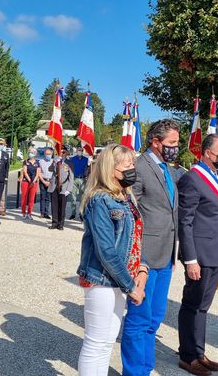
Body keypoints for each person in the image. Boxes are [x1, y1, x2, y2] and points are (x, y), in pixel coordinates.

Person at [76, 144, 147, 375]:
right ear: (110, 168)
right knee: (95, 341)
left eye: (133, 165)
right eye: (127, 166)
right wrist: (130, 286)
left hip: (122, 279)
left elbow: (135, 239)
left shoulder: (126, 198)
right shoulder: (100, 200)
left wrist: (141, 270)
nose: (132, 170)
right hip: (103, 278)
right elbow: (106, 249)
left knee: (108, 341)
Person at [121, 118, 180, 376]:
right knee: (138, 318)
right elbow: (131, 212)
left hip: (166, 254)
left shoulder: (167, 167)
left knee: (155, 316)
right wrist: (139, 260)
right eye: (172, 143)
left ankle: (145, 367)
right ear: (156, 142)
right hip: (145, 256)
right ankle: (135, 372)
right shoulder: (140, 167)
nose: (176, 147)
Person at [177, 134, 218, 376]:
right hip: (198, 255)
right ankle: (188, 357)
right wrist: (190, 259)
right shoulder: (192, 179)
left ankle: (199, 352)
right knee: (192, 305)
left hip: (216, 252)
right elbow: (185, 222)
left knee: (203, 307)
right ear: (207, 153)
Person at [48, 147, 73, 230]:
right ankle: (54, 223)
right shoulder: (55, 161)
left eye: (63, 152)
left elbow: (71, 177)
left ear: (66, 153)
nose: (62, 154)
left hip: (64, 187)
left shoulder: (69, 163)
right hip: (54, 186)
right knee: (54, 206)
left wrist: (69, 189)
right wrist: (55, 162)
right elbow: (50, 169)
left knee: (62, 207)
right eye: (60, 152)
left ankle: (61, 224)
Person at [68, 146, 89, 220]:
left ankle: (81, 213)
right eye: (78, 150)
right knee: (73, 197)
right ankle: (73, 213)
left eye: (81, 150)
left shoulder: (86, 159)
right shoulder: (72, 159)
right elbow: (69, 169)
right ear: (76, 151)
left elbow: (88, 168)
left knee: (82, 198)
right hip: (74, 179)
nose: (80, 151)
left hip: (83, 179)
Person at [21, 148, 41, 220]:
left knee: (31, 198)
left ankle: (29, 213)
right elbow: (25, 172)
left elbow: (38, 173)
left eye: (32, 152)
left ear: (35, 154)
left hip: (34, 182)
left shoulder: (37, 162)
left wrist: (34, 181)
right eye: (29, 152)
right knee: (24, 197)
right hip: (26, 181)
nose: (30, 153)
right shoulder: (25, 162)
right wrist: (30, 180)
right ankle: (23, 213)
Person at [38, 148, 54, 219]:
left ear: (52, 154)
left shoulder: (54, 162)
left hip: (51, 181)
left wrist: (50, 182)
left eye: (49, 154)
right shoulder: (41, 161)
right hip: (42, 181)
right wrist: (44, 181)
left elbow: (55, 173)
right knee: (42, 197)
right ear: (44, 154)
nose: (48, 155)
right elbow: (39, 173)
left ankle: (46, 213)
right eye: (47, 154)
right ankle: (42, 213)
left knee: (48, 198)